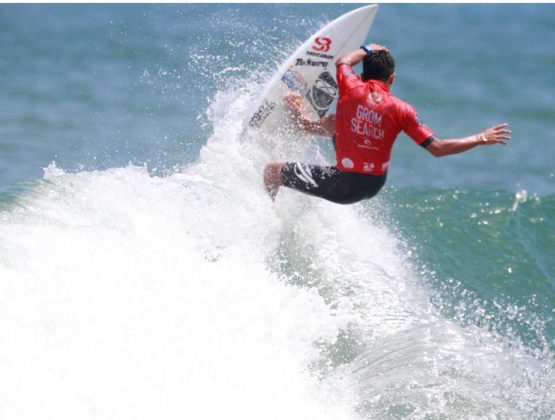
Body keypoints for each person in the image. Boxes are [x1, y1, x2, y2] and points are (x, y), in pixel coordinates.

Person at [263, 44, 511, 204]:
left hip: (344, 183)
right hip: (373, 184)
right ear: (391, 78)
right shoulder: (402, 110)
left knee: (272, 171)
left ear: (361, 76)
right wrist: (481, 138)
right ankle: (306, 124)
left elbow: (343, 60)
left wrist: (367, 48)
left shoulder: (350, 85)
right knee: (335, 122)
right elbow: (439, 148)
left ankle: (267, 219)